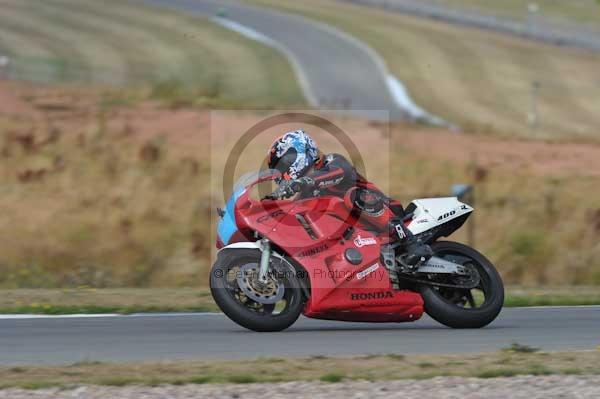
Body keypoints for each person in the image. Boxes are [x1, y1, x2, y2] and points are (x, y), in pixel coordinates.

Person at [265, 129, 433, 267]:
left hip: (384, 211)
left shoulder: (333, 161)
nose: (282, 170)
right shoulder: (303, 196)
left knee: (352, 196)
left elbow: (337, 173)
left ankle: (412, 243)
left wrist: (302, 182)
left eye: (283, 163)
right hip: (357, 238)